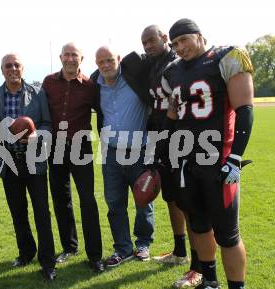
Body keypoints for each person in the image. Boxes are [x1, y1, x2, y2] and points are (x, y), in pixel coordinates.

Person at [161, 18, 254, 289]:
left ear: (199, 36)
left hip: (218, 160)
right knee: (199, 225)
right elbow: (172, 115)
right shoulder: (172, 72)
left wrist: (235, 158)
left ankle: (237, 286)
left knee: (227, 234)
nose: (179, 47)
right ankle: (210, 280)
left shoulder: (225, 57)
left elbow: (245, 111)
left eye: (183, 40)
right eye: (174, 43)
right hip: (187, 161)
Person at [0, 53, 57, 281]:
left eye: (16, 65)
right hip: (8, 160)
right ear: (2, 69)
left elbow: (47, 124)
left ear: (23, 68)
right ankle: (26, 252)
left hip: (34, 159)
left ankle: (48, 261)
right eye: (8, 65)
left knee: (41, 211)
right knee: (17, 211)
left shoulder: (38, 93)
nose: (13, 68)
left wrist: (36, 135)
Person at [141, 25, 203, 288]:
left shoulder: (178, 63)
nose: (147, 45)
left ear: (163, 39)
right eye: (144, 42)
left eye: (151, 40)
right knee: (171, 198)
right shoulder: (151, 64)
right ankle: (180, 252)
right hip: (160, 135)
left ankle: (198, 266)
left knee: (189, 202)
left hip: (182, 136)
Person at [42, 42, 105, 273]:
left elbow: (104, 112)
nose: (70, 58)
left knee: (87, 200)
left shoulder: (90, 86)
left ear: (81, 58)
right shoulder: (48, 82)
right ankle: (69, 247)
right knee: (61, 198)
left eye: (74, 55)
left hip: (81, 147)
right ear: (60, 57)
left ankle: (95, 255)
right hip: (56, 147)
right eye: (66, 54)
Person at [93, 46, 154, 267]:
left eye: (110, 60)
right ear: (96, 64)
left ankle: (143, 244)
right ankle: (123, 248)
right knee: (115, 203)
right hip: (110, 153)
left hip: (140, 150)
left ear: (118, 59)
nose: (106, 65)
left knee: (143, 200)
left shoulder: (135, 78)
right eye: (101, 62)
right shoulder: (95, 84)